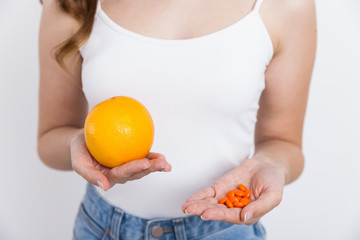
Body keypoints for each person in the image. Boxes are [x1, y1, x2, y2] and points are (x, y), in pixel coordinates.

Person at [37, 0, 316, 239]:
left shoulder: (285, 6)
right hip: (104, 228)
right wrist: (78, 144)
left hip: (225, 229)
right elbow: (50, 139)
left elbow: (283, 143)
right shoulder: (73, 4)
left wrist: (271, 164)